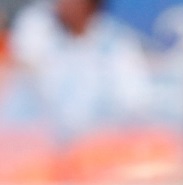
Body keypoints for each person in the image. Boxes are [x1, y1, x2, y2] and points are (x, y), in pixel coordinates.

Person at [8, 0, 152, 135]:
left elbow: (133, 104)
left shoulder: (120, 46)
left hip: (98, 145)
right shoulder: (37, 26)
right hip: (38, 142)